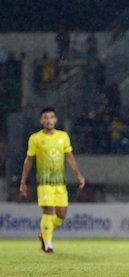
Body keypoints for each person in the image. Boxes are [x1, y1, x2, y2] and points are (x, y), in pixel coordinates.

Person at [19, 107, 86, 253]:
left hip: (60, 182)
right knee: (48, 210)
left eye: (51, 117)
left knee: (61, 215)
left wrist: (78, 175)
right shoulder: (35, 138)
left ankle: (44, 234)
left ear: (56, 120)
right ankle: (48, 244)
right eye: (45, 117)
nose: (48, 120)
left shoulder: (63, 136)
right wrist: (23, 181)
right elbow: (29, 160)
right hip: (44, 181)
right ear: (41, 120)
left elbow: (69, 156)